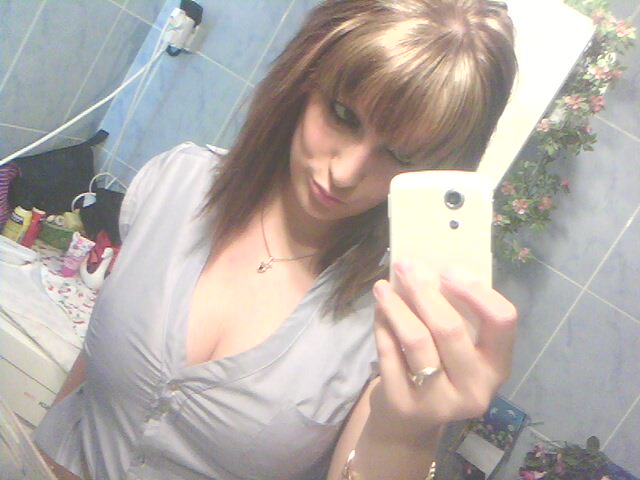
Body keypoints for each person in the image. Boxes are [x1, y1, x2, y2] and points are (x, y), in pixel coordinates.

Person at [34, 0, 518, 479]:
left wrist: (405, 433)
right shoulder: (178, 182)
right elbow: (88, 381)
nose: (346, 173)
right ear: (303, 81)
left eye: (400, 155)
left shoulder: (392, 315)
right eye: (343, 115)